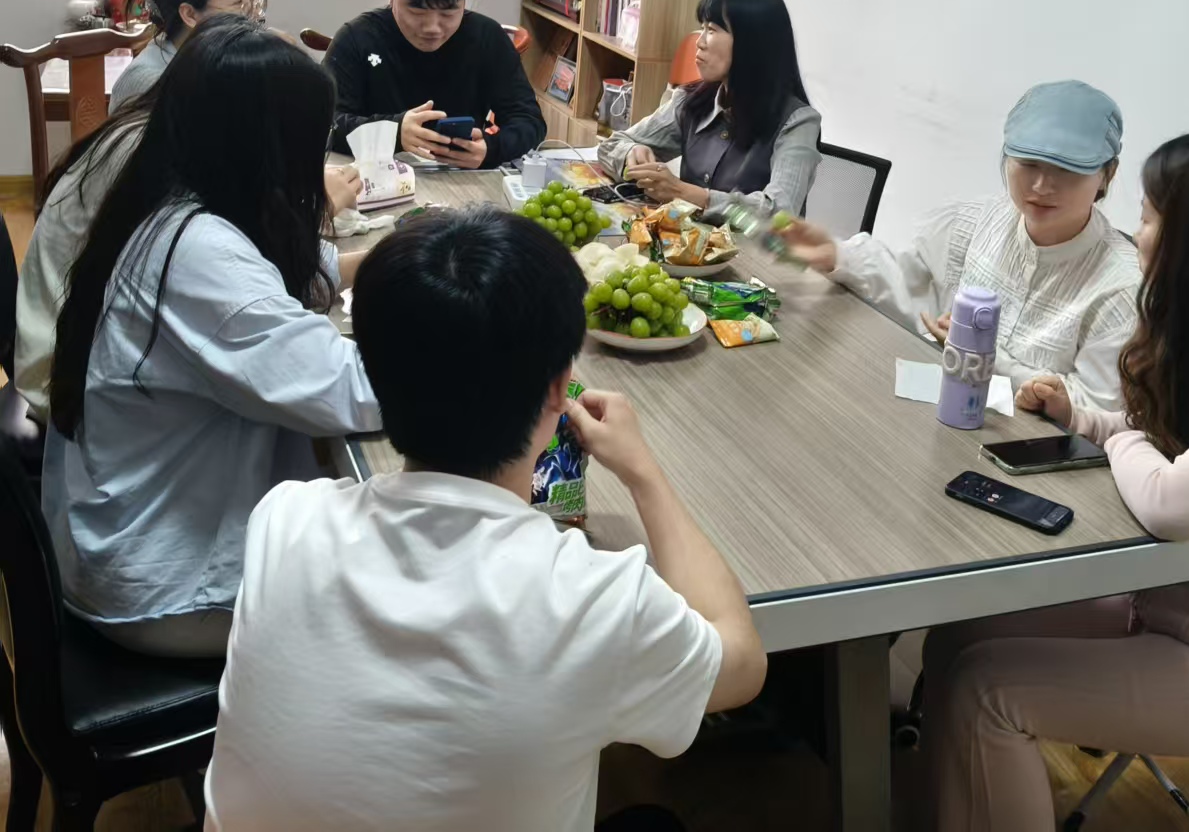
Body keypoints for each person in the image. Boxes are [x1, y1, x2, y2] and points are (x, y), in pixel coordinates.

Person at [204, 205, 767, 831]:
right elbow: (742, 664)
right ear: (559, 387)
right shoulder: (592, 601)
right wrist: (644, 474)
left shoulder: (284, 519)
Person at [923, 127, 1189, 832]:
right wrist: (1078, 416)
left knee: (989, 693)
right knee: (957, 635)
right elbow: (1151, 441)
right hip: (1167, 609)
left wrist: (1122, 436)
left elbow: (1172, 503)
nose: (1137, 235)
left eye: (1150, 218)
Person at [44, 17, 380, 658]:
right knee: (412, 600)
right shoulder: (200, 254)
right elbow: (350, 391)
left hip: (136, 540)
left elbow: (285, 277)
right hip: (170, 590)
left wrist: (391, 259)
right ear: (265, 148)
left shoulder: (174, 198)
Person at [16, 76, 361, 429]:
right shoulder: (188, 230)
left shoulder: (172, 146)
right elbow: (339, 386)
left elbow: (259, 259)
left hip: (84, 372)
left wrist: (363, 264)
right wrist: (316, 209)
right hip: (68, 385)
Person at [781, 80, 1140, 414]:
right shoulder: (974, 223)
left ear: (1106, 175)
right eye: (1029, 164)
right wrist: (840, 255)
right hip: (939, 418)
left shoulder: (1121, 287)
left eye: (1068, 170)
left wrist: (986, 359)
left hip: (1026, 451)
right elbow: (916, 290)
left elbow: (1098, 408)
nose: (1042, 185)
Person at [598, 0, 820, 223]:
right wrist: (632, 153)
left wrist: (688, 195)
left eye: (712, 30)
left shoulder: (798, 123)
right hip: (684, 243)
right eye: (701, 28)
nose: (699, 41)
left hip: (753, 248)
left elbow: (780, 215)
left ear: (751, 42)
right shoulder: (692, 100)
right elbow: (612, 145)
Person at [323, 0, 546, 167]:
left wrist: (491, 149)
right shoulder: (357, 38)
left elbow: (529, 121)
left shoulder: (487, 38)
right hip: (375, 176)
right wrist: (391, 133)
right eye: (417, 10)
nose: (432, 28)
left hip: (462, 179)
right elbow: (321, 122)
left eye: (448, 12)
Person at [109, 0, 256, 113]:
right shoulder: (149, 82)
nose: (250, 14)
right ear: (190, 14)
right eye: (238, 2)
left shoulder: (210, 58)